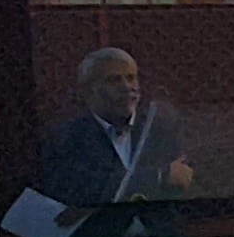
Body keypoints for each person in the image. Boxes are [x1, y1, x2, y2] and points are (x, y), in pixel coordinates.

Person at [35, 46, 192, 210]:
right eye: (114, 80)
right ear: (88, 91)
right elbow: (81, 191)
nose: (127, 87)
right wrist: (157, 177)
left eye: (131, 78)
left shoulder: (160, 130)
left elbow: (180, 184)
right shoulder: (66, 139)